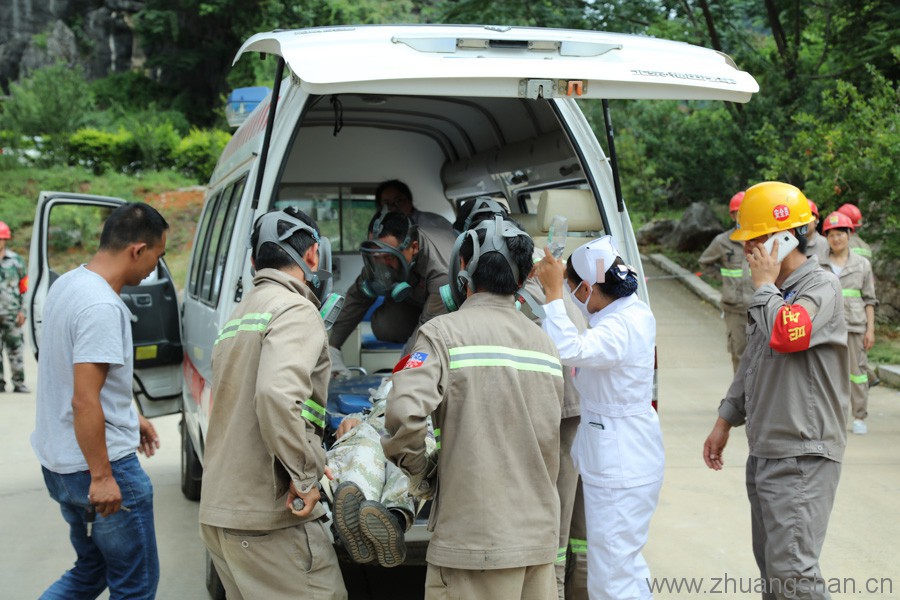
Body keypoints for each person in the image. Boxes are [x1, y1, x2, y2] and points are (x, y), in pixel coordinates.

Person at [383, 215, 565, 600]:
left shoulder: (441, 334)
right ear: (522, 278)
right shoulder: (545, 344)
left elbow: (402, 412)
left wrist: (423, 473)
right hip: (537, 543)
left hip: (474, 547)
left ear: (462, 269)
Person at [703, 182, 849, 600]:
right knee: (774, 572)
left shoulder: (820, 286)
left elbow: (789, 335)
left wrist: (765, 285)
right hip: (769, 449)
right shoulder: (776, 294)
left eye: (752, 242)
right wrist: (725, 420)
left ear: (781, 239)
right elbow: (752, 361)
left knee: (794, 576)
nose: (747, 253)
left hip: (802, 453)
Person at [199, 207, 346, 599]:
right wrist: (305, 477)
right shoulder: (296, 309)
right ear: (314, 254)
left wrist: (324, 428)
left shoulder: (241, 312)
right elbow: (276, 395)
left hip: (223, 510)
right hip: (267, 519)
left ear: (253, 261)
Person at [31, 202, 167, 599]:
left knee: (90, 572)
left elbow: (79, 378)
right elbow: (84, 400)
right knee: (135, 586)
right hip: (98, 469)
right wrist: (103, 476)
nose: (154, 269)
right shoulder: (102, 307)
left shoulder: (69, 284)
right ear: (137, 250)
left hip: (59, 463)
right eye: (157, 256)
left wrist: (131, 415)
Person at [534, 235, 664, 600]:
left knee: (612, 577)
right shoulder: (629, 311)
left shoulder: (620, 327)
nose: (574, 296)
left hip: (620, 463)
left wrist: (553, 295)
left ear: (589, 288)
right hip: (623, 454)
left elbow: (567, 348)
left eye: (575, 289)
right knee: (623, 565)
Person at [328, 373, 437, 568]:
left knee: (410, 458)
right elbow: (368, 412)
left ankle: (393, 520)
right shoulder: (387, 388)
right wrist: (352, 420)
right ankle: (354, 520)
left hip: (422, 424)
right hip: (377, 423)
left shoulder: (444, 382)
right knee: (361, 448)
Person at [328, 210, 455, 377]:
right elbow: (357, 297)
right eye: (376, 256)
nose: (381, 265)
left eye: (388, 257)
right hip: (419, 302)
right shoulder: (380, 258)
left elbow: (428, 328)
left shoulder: (441, 271)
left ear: (414, 248)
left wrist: (399, 376)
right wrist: (331, 348)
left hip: (450, 311)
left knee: (430, 338)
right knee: (386, 325)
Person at [820, 211, 877, 435]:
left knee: (858, 373)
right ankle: (834, 417)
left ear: (849, 234)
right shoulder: (818, 264)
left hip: (854, 326)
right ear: (827, 237)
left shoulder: (862, 264)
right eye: (831, 235)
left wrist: (870, 329)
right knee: (830, 373)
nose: (836, 239)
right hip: (826, 327)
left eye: (840, 234)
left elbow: (869, 299)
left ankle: (859, 416)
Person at [698, 191, 755, 372]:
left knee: (763, 356)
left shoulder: (762, 239)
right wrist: (725, 280)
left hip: (759, 307)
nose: (742, 216)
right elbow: (705, 262)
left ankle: (758, 398)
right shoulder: (722, 242)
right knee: (739, 353)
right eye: (739, 213)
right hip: (735, 309)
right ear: (732, 215)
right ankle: (742, 398)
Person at [0, 220, 29, 393]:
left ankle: (19, 383)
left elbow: (24, 288)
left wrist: (22, 310)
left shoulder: (16, 261)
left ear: (6, 239)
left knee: (16, 350)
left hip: (12, 314)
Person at [375, 179, 453, 230]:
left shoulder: (434, 223)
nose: (393, 207)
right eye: (387, 203)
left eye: (398, 200)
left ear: (409, 200)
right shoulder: (379, 229)